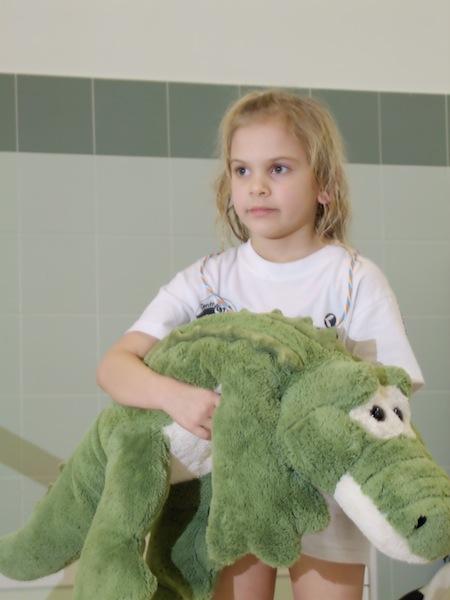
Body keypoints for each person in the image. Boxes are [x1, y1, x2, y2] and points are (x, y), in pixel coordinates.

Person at [96, 89, 424, 600]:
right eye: (242, 170)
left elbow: (392, 394)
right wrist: (176, 397)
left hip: (328, 491)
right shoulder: (208, 280)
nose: (257, 186)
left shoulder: (354, 279)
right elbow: (114, 367)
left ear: (324, 185)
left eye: (279, 168)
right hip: (233, 487)